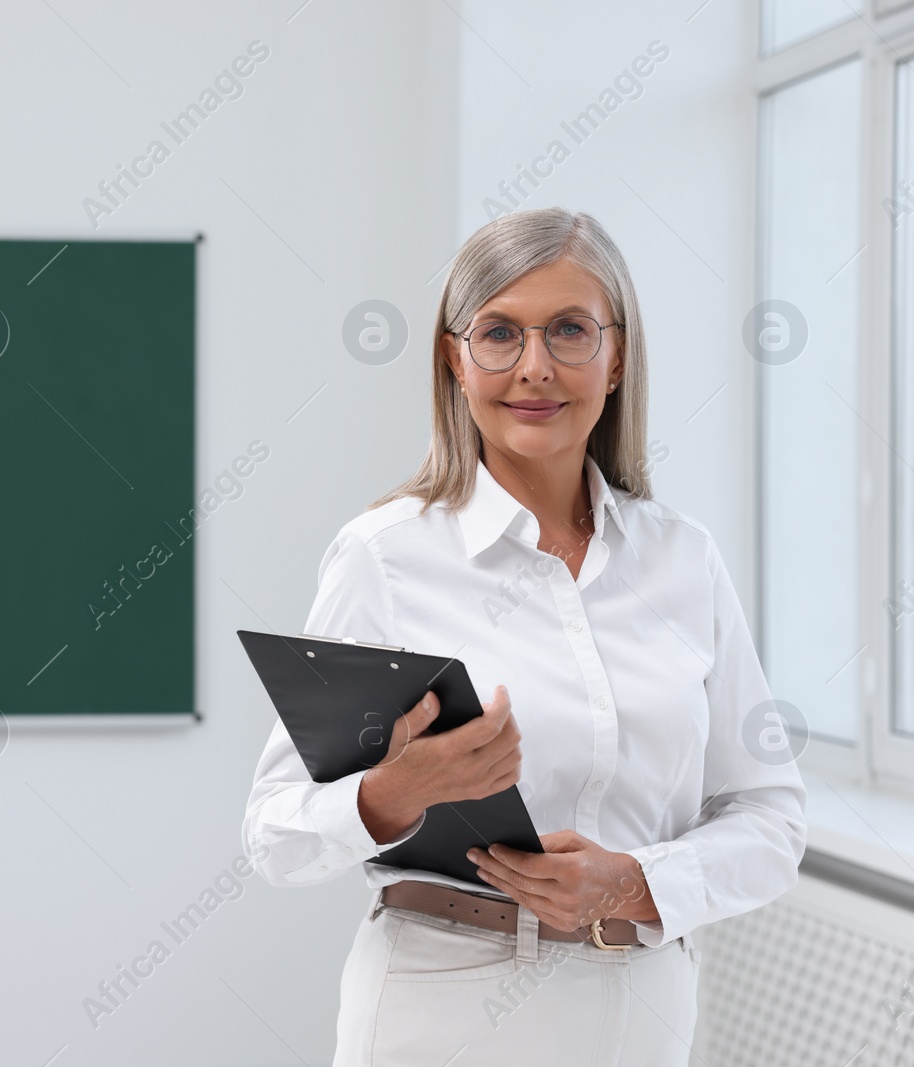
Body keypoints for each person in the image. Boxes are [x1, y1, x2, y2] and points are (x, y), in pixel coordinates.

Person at [241, 206, 806, 1065]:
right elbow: (274, 833)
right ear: (454, 359)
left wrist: (639, 881)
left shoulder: (683, 560)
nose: (534, 368)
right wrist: (393, 793)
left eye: (571, 330)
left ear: (616, 358)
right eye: (499, 333)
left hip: (641, 1009)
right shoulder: (385, 557)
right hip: (441, 1007)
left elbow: (769, 816)